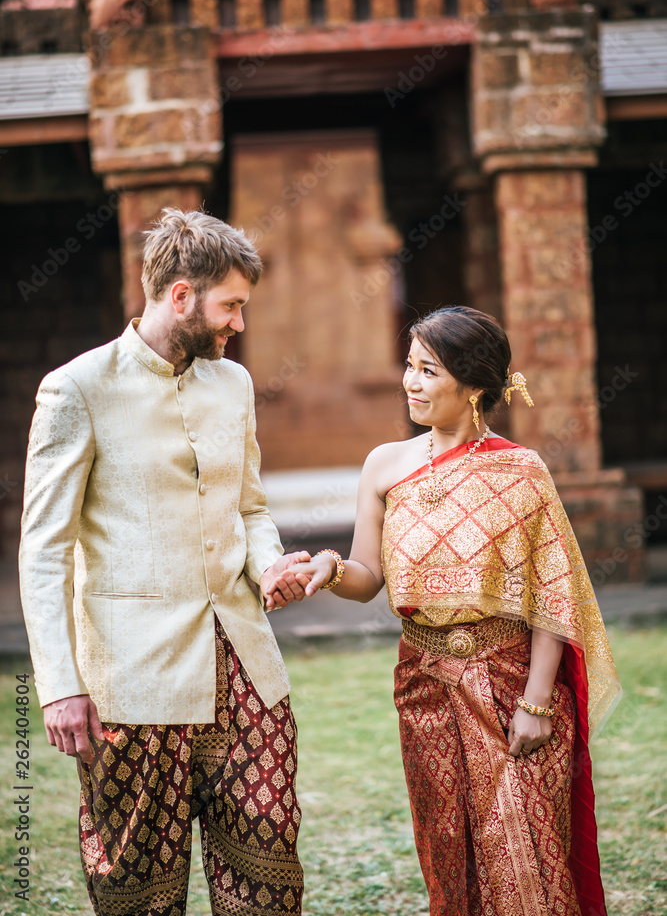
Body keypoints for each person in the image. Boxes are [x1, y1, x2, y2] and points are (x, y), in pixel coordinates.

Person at [274, 306, 620, 916]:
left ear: (475, 384)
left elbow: (551, 597)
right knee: (448, 850)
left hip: (510, 686)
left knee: (524, 859)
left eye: (427, 371)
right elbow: (368, 578)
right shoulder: (385, 464)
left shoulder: (521, 472)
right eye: (408, 366)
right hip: (424, 685)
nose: (410, 382)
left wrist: (537, 703)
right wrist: (329, 569)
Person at [19, 208, 310, 916]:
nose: (237, 323)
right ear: (180, 296)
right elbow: (43, 548)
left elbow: (250, 507)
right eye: (229, 306)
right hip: (133, 678)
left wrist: (268, 564)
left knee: (268, 860)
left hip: (245, 664)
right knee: (137, 882)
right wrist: (59, 685)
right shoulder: (76, 389)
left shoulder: (231, 385)